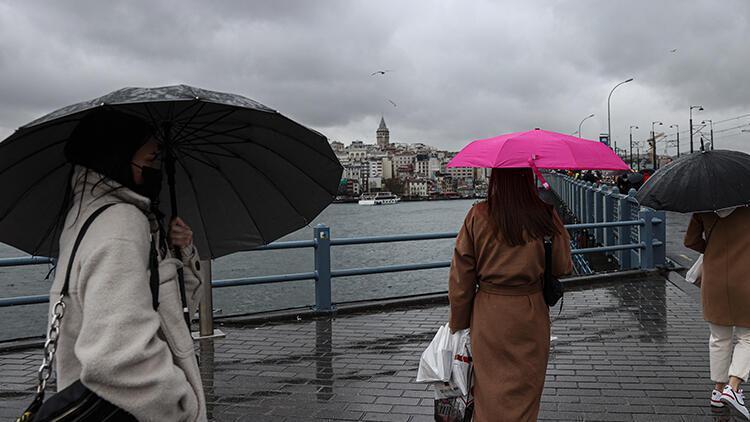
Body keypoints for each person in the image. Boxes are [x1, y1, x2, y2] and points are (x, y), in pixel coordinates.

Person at [48, 109, 207, 421]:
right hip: (134, 412)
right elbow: (118, 358)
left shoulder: (85, 214)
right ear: (116, 157)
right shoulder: (121, 223)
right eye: (147, 161)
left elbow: (167, 310)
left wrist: (181, 250)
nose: (153, 170)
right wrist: (180, 404)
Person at [448, 168, 573, 421]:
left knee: (488, 389)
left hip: (489, 315)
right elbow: (562, 267)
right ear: (528, 179)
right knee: (526, 390)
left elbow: (461, 279)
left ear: (496, 179)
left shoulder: (478, 215)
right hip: (530, 312)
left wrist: (458, 325)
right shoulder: (545, 214)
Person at [685, 208, 750, 419]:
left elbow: (690, 241)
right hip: (746, 277)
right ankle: (734, 387)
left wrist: (713, 248)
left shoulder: (703, 208)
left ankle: (718, 391)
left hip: (714, 277)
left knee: (719, 338)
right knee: (747, 336)